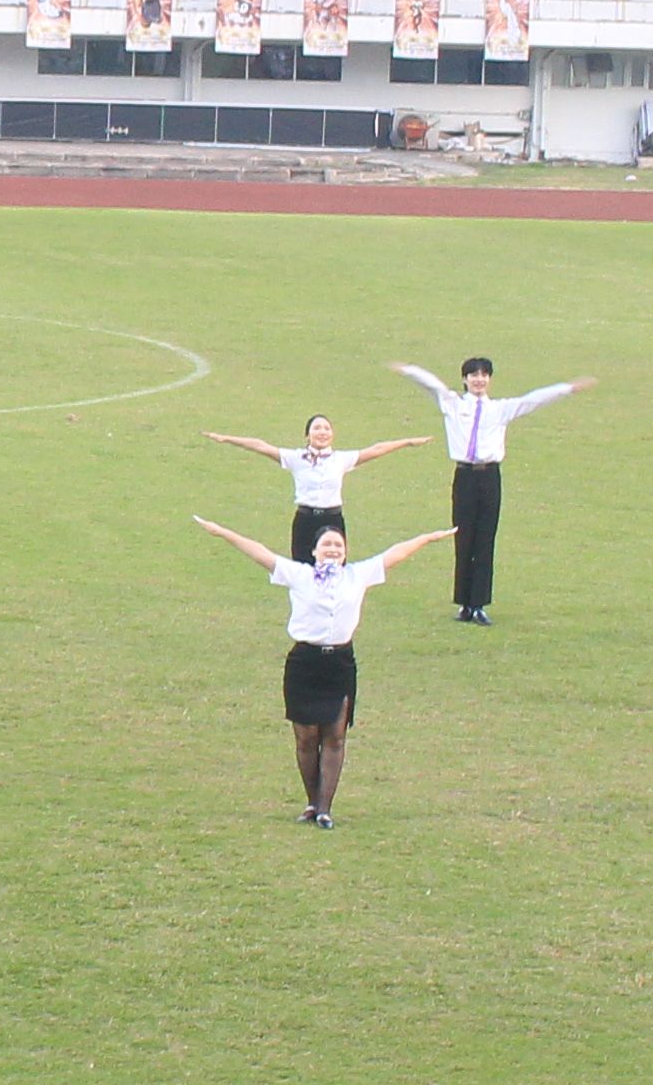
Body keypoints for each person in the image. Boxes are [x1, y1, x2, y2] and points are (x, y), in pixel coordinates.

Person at [184, 513, 449, 829]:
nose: (333, 549)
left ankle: (325, 808)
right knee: (306, 738)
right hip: (305, 664)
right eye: (327, 544)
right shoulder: (299, 575)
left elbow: (396, 553)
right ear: (314, 551)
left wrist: (427, 538)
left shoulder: (358, 575)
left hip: (340, 664)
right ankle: (312, 802)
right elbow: (259, 553)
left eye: (339, 545)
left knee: (335, 735)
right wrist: (222, 532)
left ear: (346, 551)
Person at [391, 355, 596, 623]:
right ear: (465, 379)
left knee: (485, 539)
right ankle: (464, 603)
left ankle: (479, 604)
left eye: (484, 375)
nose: (479, 380)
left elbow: (533, 400)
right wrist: (408, 370)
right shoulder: (452, 403)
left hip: (489, 477)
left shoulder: (500, 409)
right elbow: (432, 385)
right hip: (464, 476)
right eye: (474, 375)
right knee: (463, 537)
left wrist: (568, 388)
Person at [205, 410, 424, 559]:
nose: (322, 432)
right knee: (301, 570)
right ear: (307, 435)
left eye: (326, 428)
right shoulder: (295, 458)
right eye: (317, 428)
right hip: (305, 520)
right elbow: (261, 446)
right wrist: (227, 439)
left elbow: (376, 449)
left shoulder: (341, 459)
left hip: (332, 520)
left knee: (333, 569)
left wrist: (406, 442)